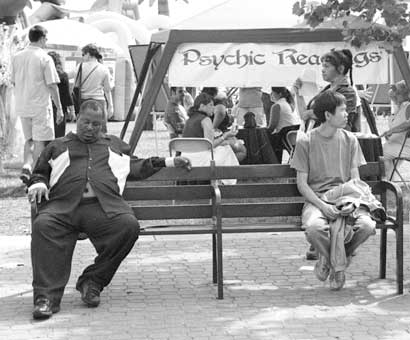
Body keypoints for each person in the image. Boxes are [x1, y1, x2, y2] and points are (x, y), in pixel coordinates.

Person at [27, 100, 191, 320]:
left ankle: (93, 281)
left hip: (102, 209)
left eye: (96, 124)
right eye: (86, 122)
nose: (90, 128)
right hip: (62, 208)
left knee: (128, 226)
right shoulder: (58, 145)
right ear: (77, 118)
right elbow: (40, 172)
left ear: (102, 124)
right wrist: (38, 183)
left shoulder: (114, 146)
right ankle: (45, 298)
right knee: (43, 225)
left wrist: (170, 161)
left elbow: (137, 166)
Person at [290, 90, 377, 291]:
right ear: (328, 115)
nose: (347, 114)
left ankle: (329, 261)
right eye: (343, 110)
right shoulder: (306, 141)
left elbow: (355, 180)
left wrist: (351, 203)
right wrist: (323, 206)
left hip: (347, 199)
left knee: (367, 226)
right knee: (314, 228)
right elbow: (302, 184)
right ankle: (337, 264)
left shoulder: (350, 140)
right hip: (318, 200)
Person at [10, 25, 63, 185]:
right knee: (40, 141)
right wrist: (59, 107)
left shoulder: (17, 57)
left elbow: (13, 81)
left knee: (29, 139)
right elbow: (52, 85)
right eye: (46, 38)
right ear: (41, 38)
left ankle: (26, 164)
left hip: (22, 104)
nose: (46, 41)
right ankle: (36, 174)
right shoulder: (45, 58)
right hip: (39, 105)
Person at [293, 49, 358, 132]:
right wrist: (299, 93)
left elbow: (334, 116)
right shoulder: (326, 90)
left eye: (326, 66)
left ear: (341, 69)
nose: (323, 70)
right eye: (323, 66)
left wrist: (310, 113)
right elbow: (303, 115)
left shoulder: (348, 92)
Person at [182, 93, 239, 183]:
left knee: (223, 147)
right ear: (202, 106)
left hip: (186, 157)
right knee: (227, 150)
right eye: (211, 105)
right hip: (201, 160)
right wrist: (225, 136)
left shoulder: (189, 120)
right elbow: (210, 145)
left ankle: (220, 182)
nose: (213, 108)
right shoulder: (205, 120)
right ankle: (225, 183)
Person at [74, 43, 113, 132]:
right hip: (99, 101)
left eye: (83, 54)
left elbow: (76, 85)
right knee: (100, 129)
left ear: (88, 54)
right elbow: (107, 90)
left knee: (84, 129)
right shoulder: (104, 68)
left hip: (84, 101)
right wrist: (110, 106)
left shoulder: (80, 67)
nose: (83, 57)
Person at [202, 88, 247, 162]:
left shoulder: (204, 106)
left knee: (240, 148)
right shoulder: (219, 106)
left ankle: (225, 164)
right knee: (242, 151)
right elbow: (214, 125)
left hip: (218, 135)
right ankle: (224, 166)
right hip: (218, 136)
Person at [380, 80, 410, 179]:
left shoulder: (408, 107)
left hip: (405, 147)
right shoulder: (401, 107)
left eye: (396, 94)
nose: (394, 97)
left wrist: (391, 131)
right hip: (397, 145)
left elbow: (407, 123)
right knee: (382, 151)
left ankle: (387, 181)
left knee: (379, 153)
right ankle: (390, 180)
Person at [267, 87, 300, 163]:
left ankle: (273, 164)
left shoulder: (277, 106)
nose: (270, 95)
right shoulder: (288, 104)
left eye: (272, 93)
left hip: (283, 135)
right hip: (291, 134)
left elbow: (272, 126)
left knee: (266, 139)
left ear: (279, 94)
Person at [48, 51, 75, 137]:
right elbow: (67, 95)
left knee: (45, 137)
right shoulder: (62, 75)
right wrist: (72, 111)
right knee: (58, 136)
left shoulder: (43, 75)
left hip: (45, 107)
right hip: (60, 108)